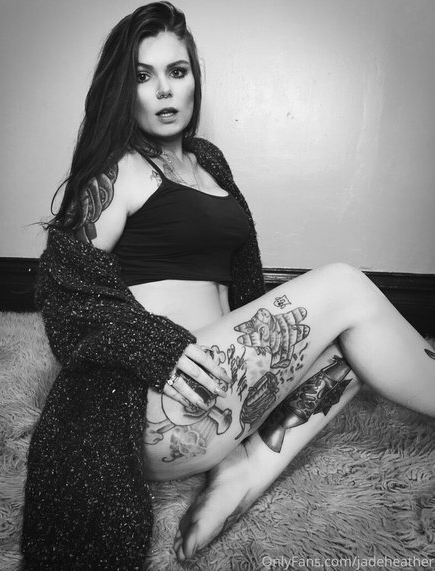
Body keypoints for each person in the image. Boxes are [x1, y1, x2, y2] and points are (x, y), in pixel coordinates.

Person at [21, 2, 435, 569]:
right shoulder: (118, 170)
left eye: (177, 71)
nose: (164, 90)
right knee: (346, 285)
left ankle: (243, 471)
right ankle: (233, 461)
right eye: (143, 76)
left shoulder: (208, 162)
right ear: (123, 89)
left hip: (225, 390)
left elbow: (242, 285)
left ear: (194, 79)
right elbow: (62, 291)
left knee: (354, 351)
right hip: (160, 396)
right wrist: (157, 347)